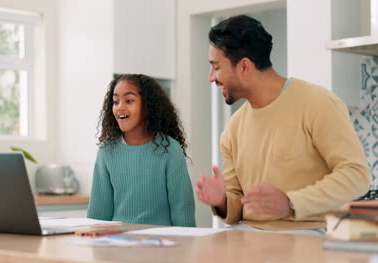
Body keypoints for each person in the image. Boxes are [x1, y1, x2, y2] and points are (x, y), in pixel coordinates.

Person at [196, 15, 370, 235]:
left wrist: (290, 203)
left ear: (244, 66)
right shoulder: (233, 128)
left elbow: (356, 176)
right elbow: (238, 203)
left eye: (216, 67)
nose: (211, 77)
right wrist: (221, 200)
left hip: (311, 232)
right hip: (251, 233)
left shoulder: (318, 103)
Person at [87, 74, 196, 227]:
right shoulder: (106, 151)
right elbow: (98, 216)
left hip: (162, 245)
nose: (120, 107)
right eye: (116, 101)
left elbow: (182, 211)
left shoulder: (170, 149)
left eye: (129, 100)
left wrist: (186, 247)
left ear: (148, 106)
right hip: (117, 244)